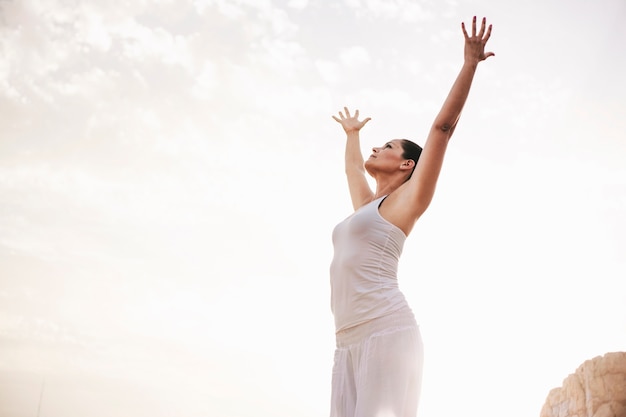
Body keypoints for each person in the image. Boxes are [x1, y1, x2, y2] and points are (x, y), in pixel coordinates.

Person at [328, 16, 494, 417]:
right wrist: (353, 136)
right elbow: (352, 171)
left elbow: (441, 129)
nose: (376, 148)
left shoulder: (406, 204)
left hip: (385, 332)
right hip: (347, 342)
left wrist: (469, 64)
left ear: (405, 165)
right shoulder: (367, 207)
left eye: (387, 146)